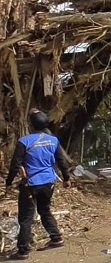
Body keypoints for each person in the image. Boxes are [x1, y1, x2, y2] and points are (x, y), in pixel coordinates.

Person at [5, 108, 71, 260]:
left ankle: (23, 250)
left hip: (31, 184)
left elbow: (16, 164)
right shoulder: (53, 140)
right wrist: (66, 179)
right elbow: (61, 161)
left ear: (31, 125)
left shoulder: (24, 141)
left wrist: (8, 183)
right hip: (49, 182)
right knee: (45, 209)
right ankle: (56, 238)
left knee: (26, 217)